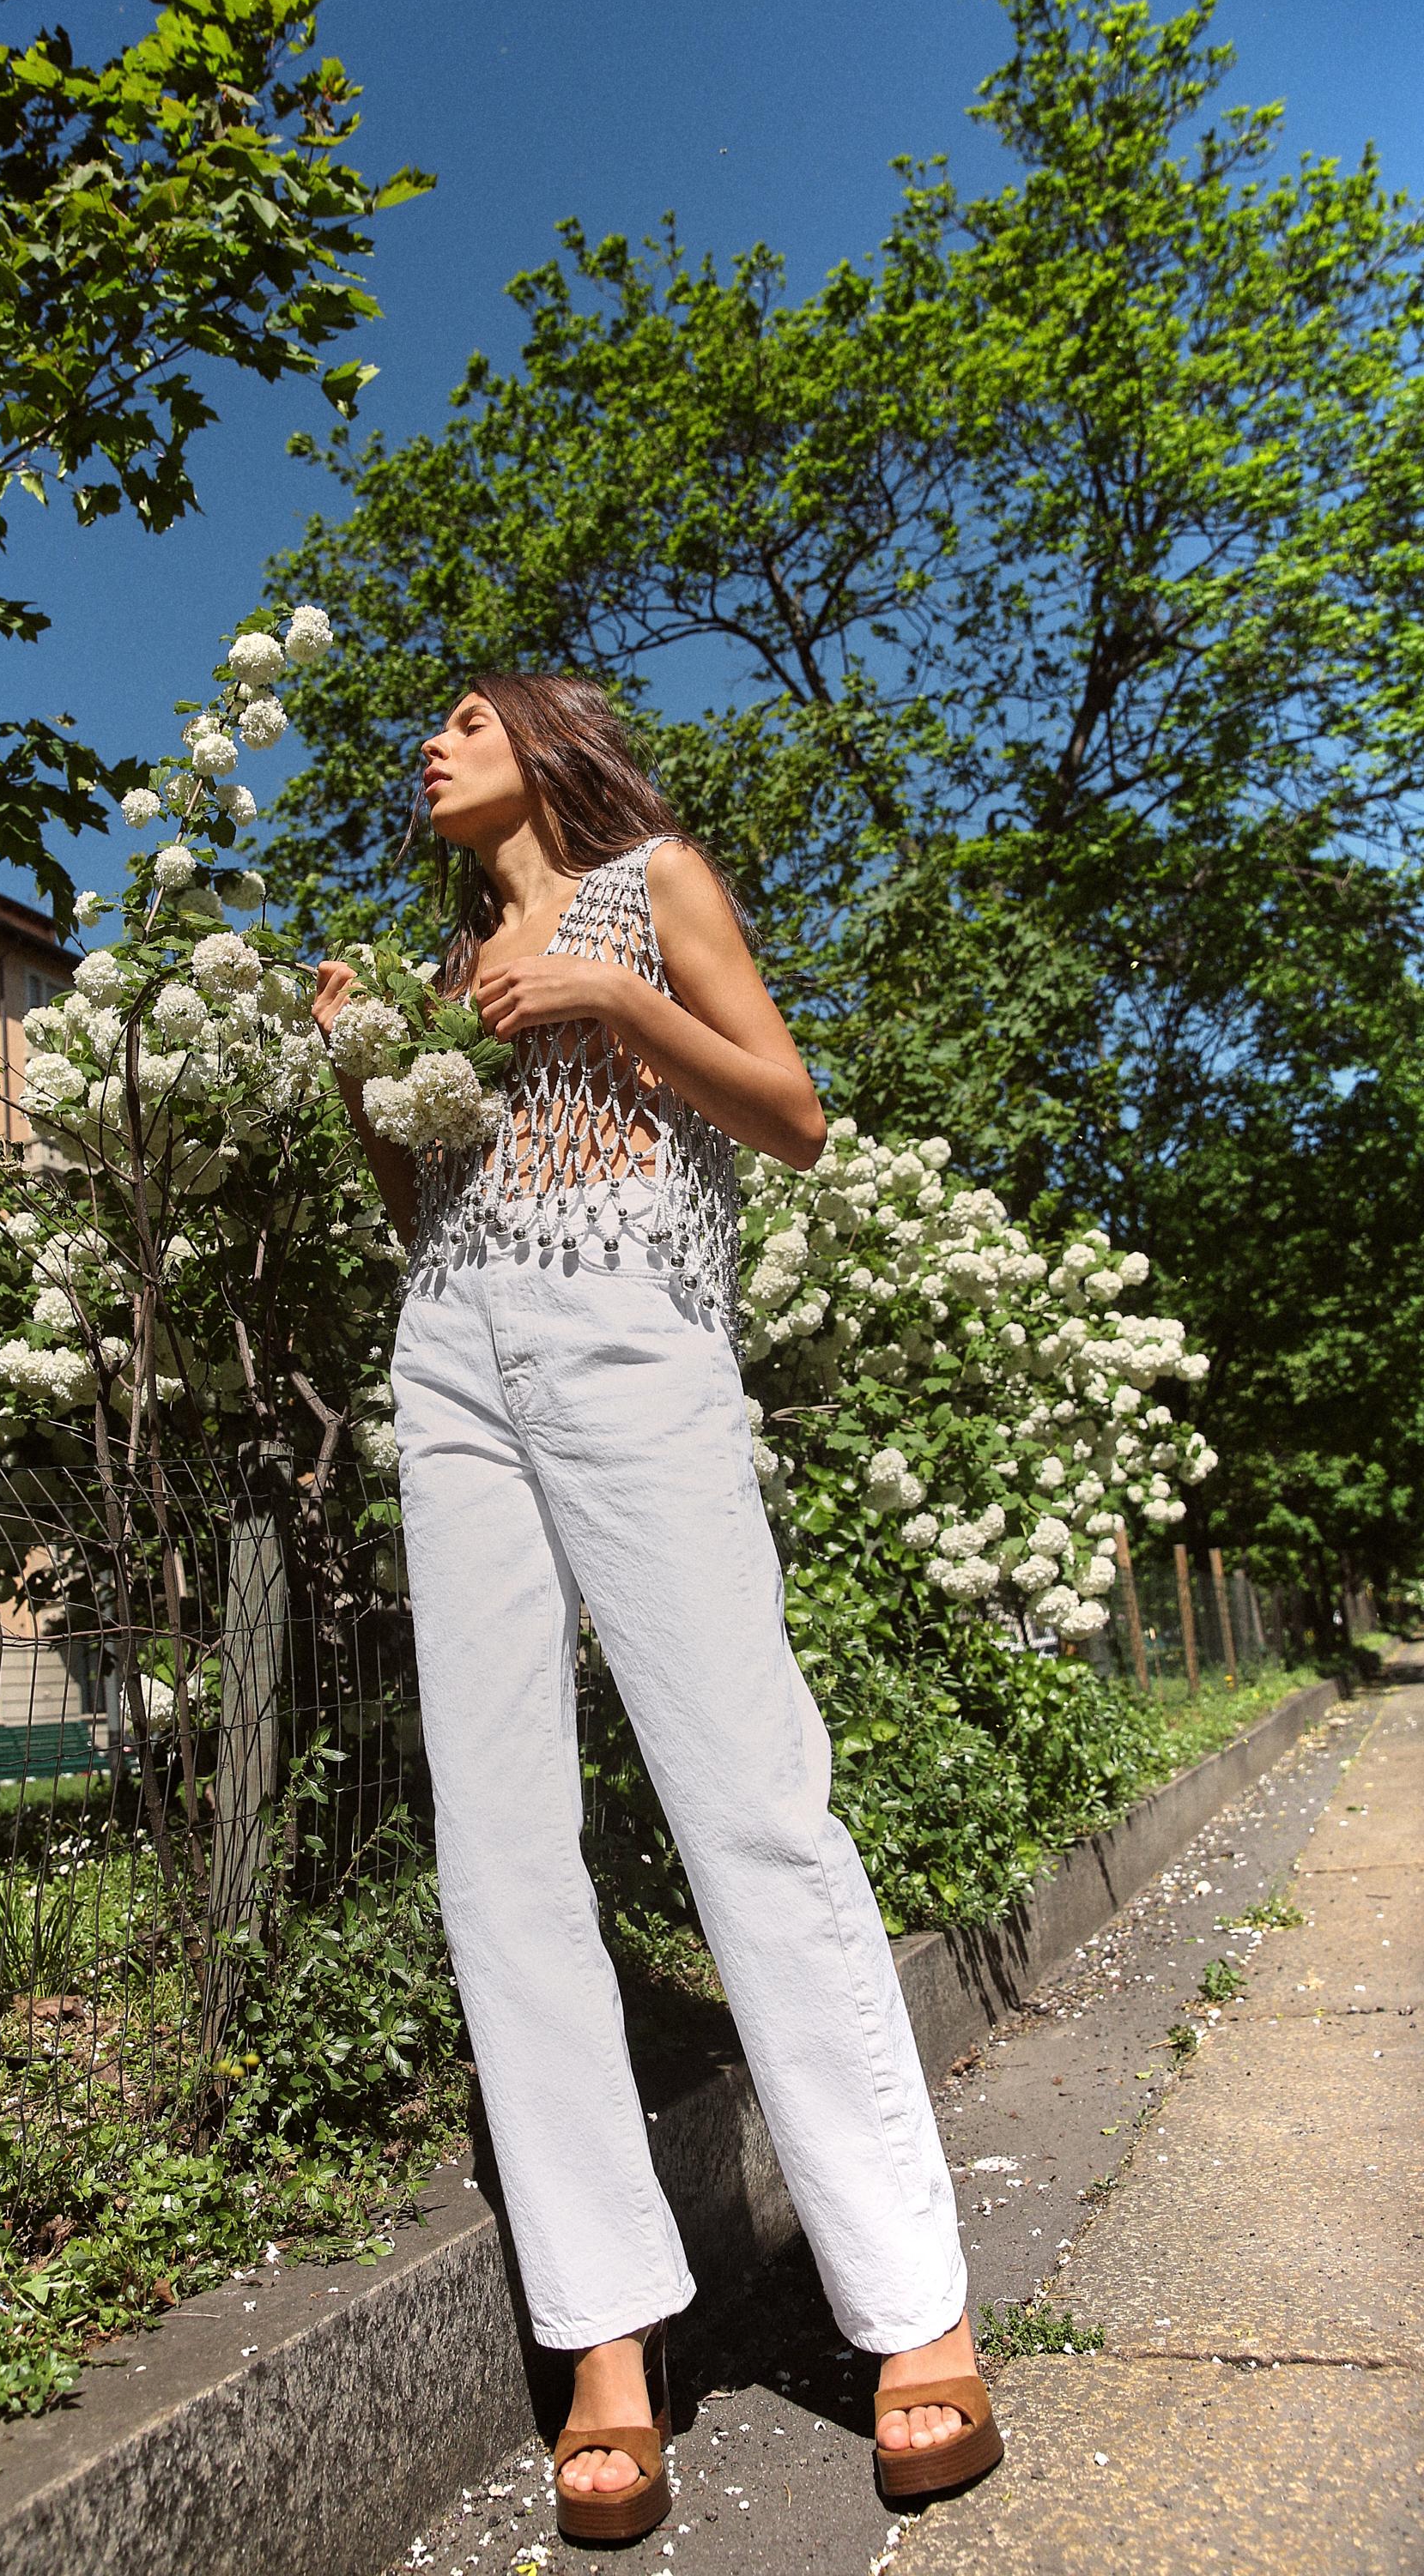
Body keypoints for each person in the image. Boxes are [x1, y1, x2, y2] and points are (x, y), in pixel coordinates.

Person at [312, 674, 1001, 2543]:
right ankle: (607, 2343)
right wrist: (366, 1084)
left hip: (634, 1344)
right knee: (500, 1850)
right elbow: (430, 1215)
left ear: (547, 743)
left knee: (751, 1808)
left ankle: (908, 2308)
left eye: (466, 716)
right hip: (451, 1354)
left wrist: (615, 998)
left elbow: (790, 1117)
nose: (430, 745)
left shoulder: (648, 886)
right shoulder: (454, 976)